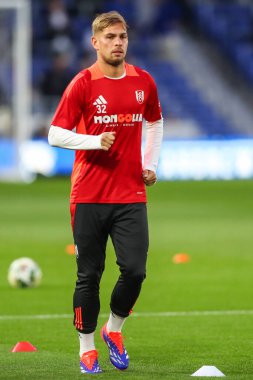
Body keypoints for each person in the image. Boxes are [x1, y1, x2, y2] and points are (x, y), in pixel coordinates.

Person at [48, 11, 163, 374]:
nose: (118, 43)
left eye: (122, 37)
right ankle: (86, 348)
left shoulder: (143, 81)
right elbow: (55, 134)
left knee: (135, 271)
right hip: (89, 195)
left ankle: (114, 330)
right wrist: (94, 141)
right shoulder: (82, 84)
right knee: (89, 275)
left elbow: (155, 121)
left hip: (130, 194)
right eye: (110, 37)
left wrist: (151, 162)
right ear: (95, 42)